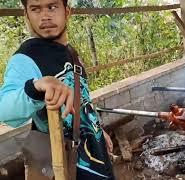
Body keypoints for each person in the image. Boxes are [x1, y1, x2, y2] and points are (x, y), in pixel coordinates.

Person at [0, 0, 115, 179]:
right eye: (36, 9)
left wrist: (98, 130)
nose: (45, 16)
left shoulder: (70, 52)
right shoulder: (26, 57)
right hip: (61, 162)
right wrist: (35, 87)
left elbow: (83, 99)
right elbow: (5, 110)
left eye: (52, 7)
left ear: (67, 12)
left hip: (92, 150)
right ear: (27, 15)